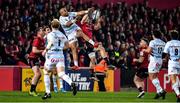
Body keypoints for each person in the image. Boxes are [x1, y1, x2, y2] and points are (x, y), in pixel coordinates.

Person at [42, 19, 77, 100]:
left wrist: (45, 50)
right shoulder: (62, 35)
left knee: (46, 72)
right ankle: (71, 83)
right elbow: (68, 45)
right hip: (60, 56)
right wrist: (60, 48)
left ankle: (48, 93)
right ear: (58, 26)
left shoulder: (50, 34)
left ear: (51, 26)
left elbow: (50, 43)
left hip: (52, 55)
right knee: (61, 74)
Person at [142, 30, 166, 99]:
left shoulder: (152, 42)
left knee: (151, 76)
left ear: (154, 35)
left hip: (154, 60)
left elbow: (148, 51)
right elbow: (164, 53)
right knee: (155, 76)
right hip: (160, 60)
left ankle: (161, 90)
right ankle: (159, 93)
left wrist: (144, 50)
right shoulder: (163, 43)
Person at [43, 26, 66, 93]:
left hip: (55, 54)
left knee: (59, 71)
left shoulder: (53, 36)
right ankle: (55, 87)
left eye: (49, 30)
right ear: (45, 32)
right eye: (47, 30)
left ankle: (61, 87)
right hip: (49, 55)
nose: (49, 31)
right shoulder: (45, 38)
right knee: (54, 71)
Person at [163, 30, 180, 102]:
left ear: (170, 36)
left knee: (173, 80)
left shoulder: (169, 43)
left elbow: (164, 54)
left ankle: (179, 95)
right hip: (179, 62)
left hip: (172, 63)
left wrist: (163, 58)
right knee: (176, 79)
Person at [28, 27, 45, 96]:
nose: (43, 31)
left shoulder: (42, 40)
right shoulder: (37, 39)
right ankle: (31, 91)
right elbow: (34, 50)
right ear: (38, 32)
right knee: (37, 74)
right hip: (32, 58)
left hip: (36, 59)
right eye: (42, 30)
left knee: (39, 74)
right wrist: (43, 51)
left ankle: (33, 90)